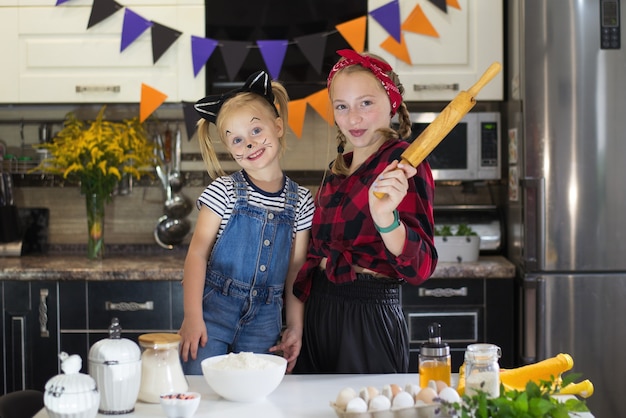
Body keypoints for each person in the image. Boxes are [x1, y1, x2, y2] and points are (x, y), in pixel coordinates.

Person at [292, 49, 438, 374]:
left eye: (366, 103)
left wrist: (386, 220)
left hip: (367, 315)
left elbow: (422, 266)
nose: (353, 118)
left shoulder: (403, 164)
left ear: (393, 102)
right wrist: (296, 323)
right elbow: (314, 253)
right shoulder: (338, 168)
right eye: (342, 106)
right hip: (318, 309)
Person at [178, 70, 315, 374]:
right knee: (204, 393)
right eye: (237, 139)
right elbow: (197, 254)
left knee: (256, 400)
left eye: (255, 131)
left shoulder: (302, 201)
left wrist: (294, 326)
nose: (249, 144)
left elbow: (296, 270)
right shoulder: (223, 191)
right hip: (212, 315)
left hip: (265, 321)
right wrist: (192, 316)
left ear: (278, 126)